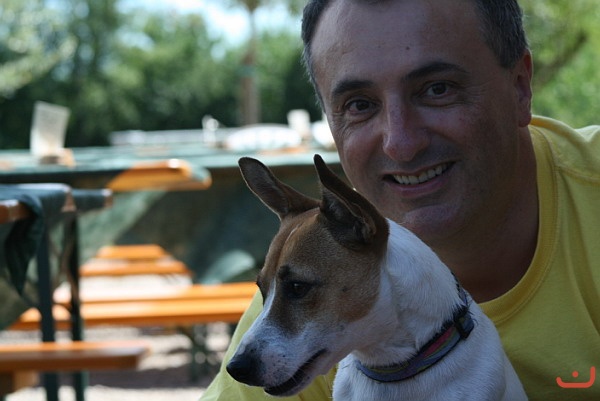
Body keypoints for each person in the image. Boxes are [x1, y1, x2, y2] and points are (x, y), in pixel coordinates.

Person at [200, 0, 600, 400]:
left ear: (520, 87)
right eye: (359, 105)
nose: (401, 144)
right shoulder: (321, 263)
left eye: (438, 89)